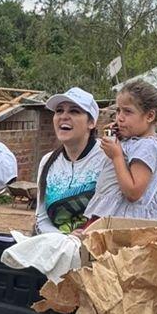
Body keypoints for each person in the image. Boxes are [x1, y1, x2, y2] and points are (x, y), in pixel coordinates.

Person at [82, 78, 157, 222]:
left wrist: (117, 156)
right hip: (112, 213)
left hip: (125, 221)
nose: (120, 118)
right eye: (118, 111)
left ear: (149, 116)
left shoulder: (147, 147)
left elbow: (133, 193)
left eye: (127, 112)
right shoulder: (133, 140)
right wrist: (113, 136)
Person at [34, 87, 105, 233]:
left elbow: (114, 213)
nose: (64, 116)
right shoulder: (48, 162)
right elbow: (42, 218)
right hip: (57, 243)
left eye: (74, 111)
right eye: (59, 111)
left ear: (91, 122)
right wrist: (64, 238)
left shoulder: (108, 159)